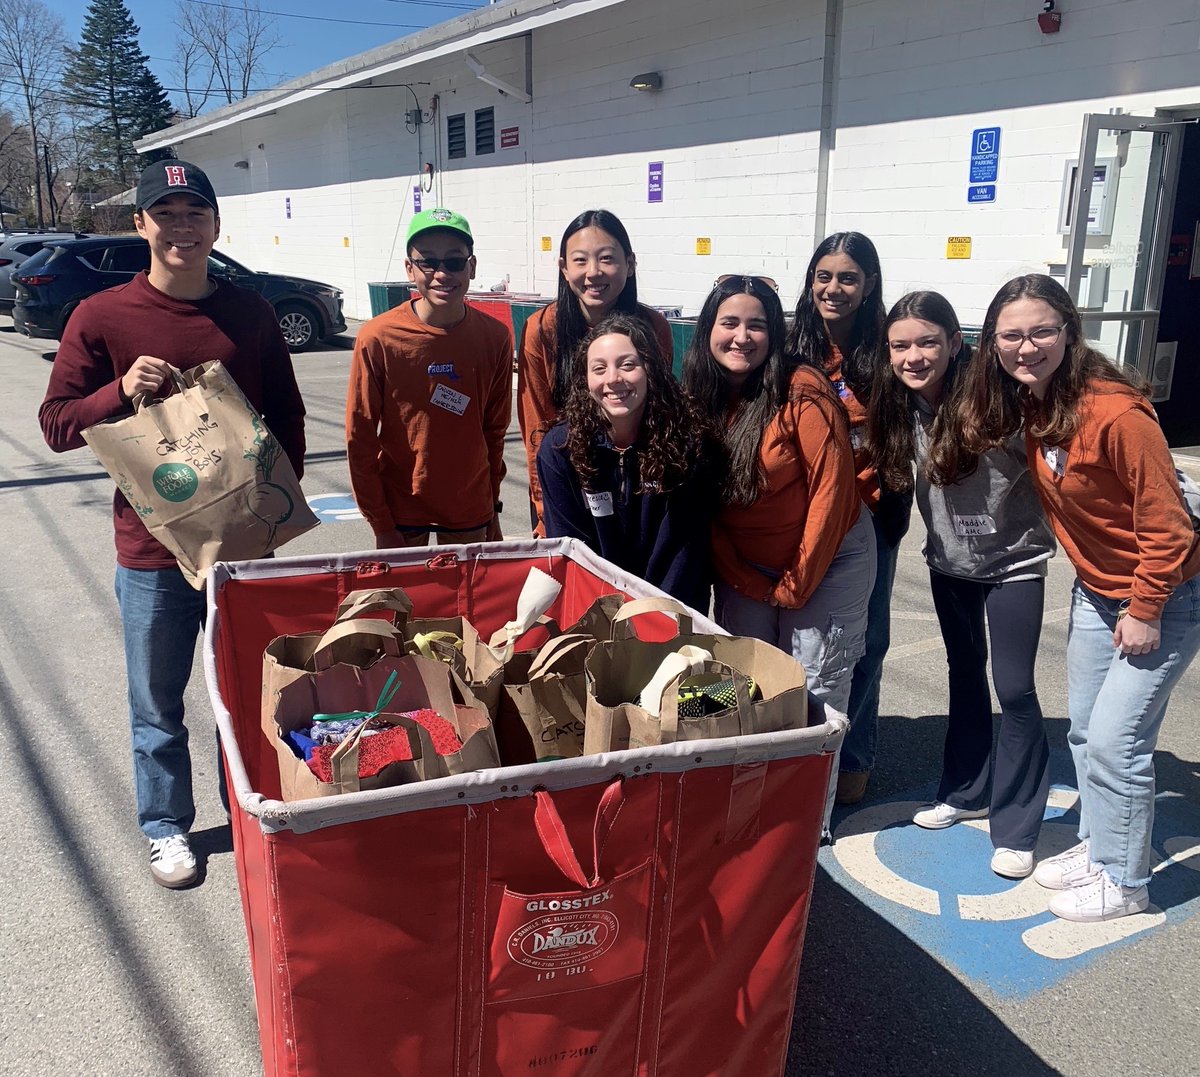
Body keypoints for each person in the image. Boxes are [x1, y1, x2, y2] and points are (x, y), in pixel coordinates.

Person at [38, 160, 307, 889]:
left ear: (216, 225)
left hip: (241, 552)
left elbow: (285, 413)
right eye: (167, 212)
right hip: (150, 553)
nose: (182, 226)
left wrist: (277, 506)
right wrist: (118, 392)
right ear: (141, 224)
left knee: (247, 699)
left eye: (196, 212)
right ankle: (166, 828)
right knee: (157, 705)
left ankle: (250, 815)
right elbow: (57, 423)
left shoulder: (247, 313)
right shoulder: (101, 317)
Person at [959, 273, 1200, 920]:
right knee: (1089, 733)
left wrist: (1146, 609)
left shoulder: (1116, 412)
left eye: (1041, 331)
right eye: (1011, 334)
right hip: (1097, 593)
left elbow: (1168, 523)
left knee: (1119, 740)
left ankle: (1125, 882)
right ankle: (1099, 849)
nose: (1026, 345)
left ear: (1069, 330)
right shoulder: (1033, 402)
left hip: (1165, 594)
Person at [867, 291, 1055, 879]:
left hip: (1014, 564)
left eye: (928, 342)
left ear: (955, 342)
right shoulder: (900, 407)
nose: (914, 356)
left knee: (1016, 690)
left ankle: (1018, 826)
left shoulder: (1000, 399)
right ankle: (963, 791)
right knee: (964, 676)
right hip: (948, 565)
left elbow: (1058, 464)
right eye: (901, 345)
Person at [682, 274, 875, 743]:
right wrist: (740, 576)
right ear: (708, 327)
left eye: (757, 325)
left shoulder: (802, 389)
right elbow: (699, 505)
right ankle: (750, 792)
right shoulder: (696, 395)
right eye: (730, 322)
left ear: (775, 334)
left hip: (825, 561)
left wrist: (797, 582)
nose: (742, 337)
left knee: (813, 690)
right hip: (746, 566)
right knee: (738, 682)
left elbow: (832, 492)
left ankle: (812, 812)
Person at [787, 231, 907, 806]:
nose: (833, 289)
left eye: (848, 278)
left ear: (869, 285)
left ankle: (854, 757)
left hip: (871, 520)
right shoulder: (790, 349)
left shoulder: (886, 352)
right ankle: (779, 749)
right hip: (798, 518)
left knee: (868, 643)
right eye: (824, 276)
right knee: (790, 639)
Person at [345, 207, 512, 548]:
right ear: (410, 268)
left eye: (454, 262)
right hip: (402, 506)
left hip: (470, 505)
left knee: (466, 601)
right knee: (407, 601)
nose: (441, 274)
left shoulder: (495, 336)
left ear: (472, 267)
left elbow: (495, 431)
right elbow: (359, 437)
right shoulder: (378, 337)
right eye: (428, 262)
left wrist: (492, 508)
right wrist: (380, 522)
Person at [537, 312, 715, 610]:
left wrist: (654, 615)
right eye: (599, 368)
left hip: (670, 606)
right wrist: (605, 615)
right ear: (586, 379)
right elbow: (570, 548)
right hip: (596, 608)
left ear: (651, 370)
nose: (613, 379)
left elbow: (685, 549)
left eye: (628, 365)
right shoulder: (559, 449)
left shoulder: (688, 445)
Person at [518, 209, 673, 533]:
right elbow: (537, 428)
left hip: (636, 492)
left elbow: (659, 414)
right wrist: (544, 509)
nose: (593, 273)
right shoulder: (542, 329)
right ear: (563, 267)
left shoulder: (653, 327)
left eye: (606, 259)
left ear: (629, 264)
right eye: (580, 261)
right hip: (564, 490)